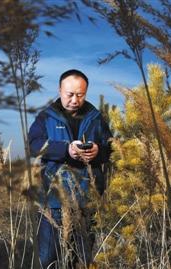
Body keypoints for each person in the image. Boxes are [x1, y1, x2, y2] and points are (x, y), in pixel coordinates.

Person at [28, 69, 112, 268]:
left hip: (87, 201)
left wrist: (98, 151)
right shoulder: (46, 117)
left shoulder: (96, 117)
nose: (75, 100)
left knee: (82, 260)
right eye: (70, 94)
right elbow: (33, 144)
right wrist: (66, 150)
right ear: (60, 90)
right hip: (53, 201)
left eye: (80, 94)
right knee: (48, 260)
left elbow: (112, 147)